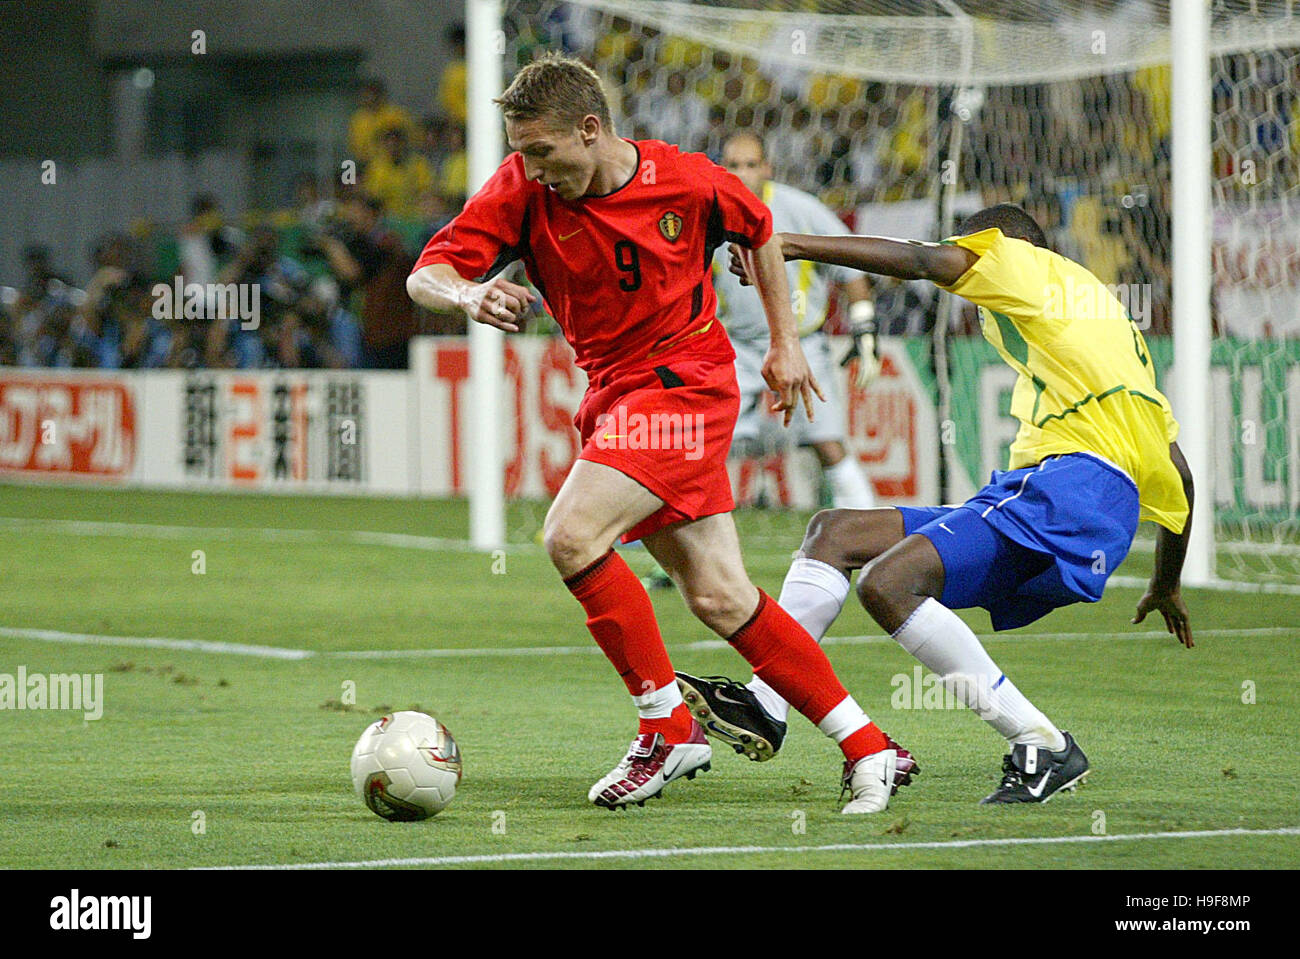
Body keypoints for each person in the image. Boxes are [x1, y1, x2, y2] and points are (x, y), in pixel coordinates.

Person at [407, 52, 916, 812]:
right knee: (718, 594)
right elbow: (426, 273)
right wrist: (471, 292)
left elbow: (762, 231)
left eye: (542, 152)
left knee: (572, 537)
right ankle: (868, 744)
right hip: (614, 391)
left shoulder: (685, 179)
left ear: (590, 129)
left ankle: (667, 728)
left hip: (685, 384)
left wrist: (784, 342)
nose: (533, 169)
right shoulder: (520, 190)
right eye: (522, 155)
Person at [686, 203, 1194, 807]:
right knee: (835, 532)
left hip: (1072, 492)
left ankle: (1043, 744)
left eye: (972, 251)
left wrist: (788, 245)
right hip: (1049, 493)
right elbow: (1179, 474)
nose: (967, 271)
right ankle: (767, 703)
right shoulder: (1104, 328)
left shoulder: (1023, 263)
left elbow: (920, 260)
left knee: (889, 583)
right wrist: (1166, 583)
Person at [715, 132, 878, 510]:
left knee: (827, 440)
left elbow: (850, 265)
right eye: (733, 166)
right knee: (708, 445)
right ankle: (681, 540)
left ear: (767, 168)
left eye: (750, 165)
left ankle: (868, 524)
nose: (741, 174)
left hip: (800, 344)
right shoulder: (712, 214)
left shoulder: (798, 208)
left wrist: (865, 328)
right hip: (735, 346)